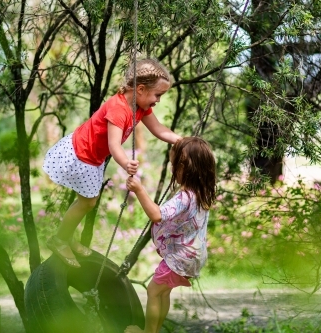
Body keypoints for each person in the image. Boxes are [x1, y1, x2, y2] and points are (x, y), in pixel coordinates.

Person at [42, 58, 182, 268]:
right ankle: (60, 239)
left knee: (86, 201)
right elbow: (114, 145)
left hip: (93, 158)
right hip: (83, 155)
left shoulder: (140, 106)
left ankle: (67, 235)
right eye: (158, 95)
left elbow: (158, 129)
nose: (158, 100)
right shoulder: (118, 109)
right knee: (87, 202)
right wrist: (126, 163)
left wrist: (182, 141)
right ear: (141, 89)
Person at [124, 137, 217, 333]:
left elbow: (157, 215)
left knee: (153, 291)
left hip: (180, 258)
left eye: (175, 165)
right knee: (163, 293)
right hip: (194, 256)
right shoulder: (203, 192)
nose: (173, 170)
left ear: (185, 168)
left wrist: (139, 189)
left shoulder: (185, 197)